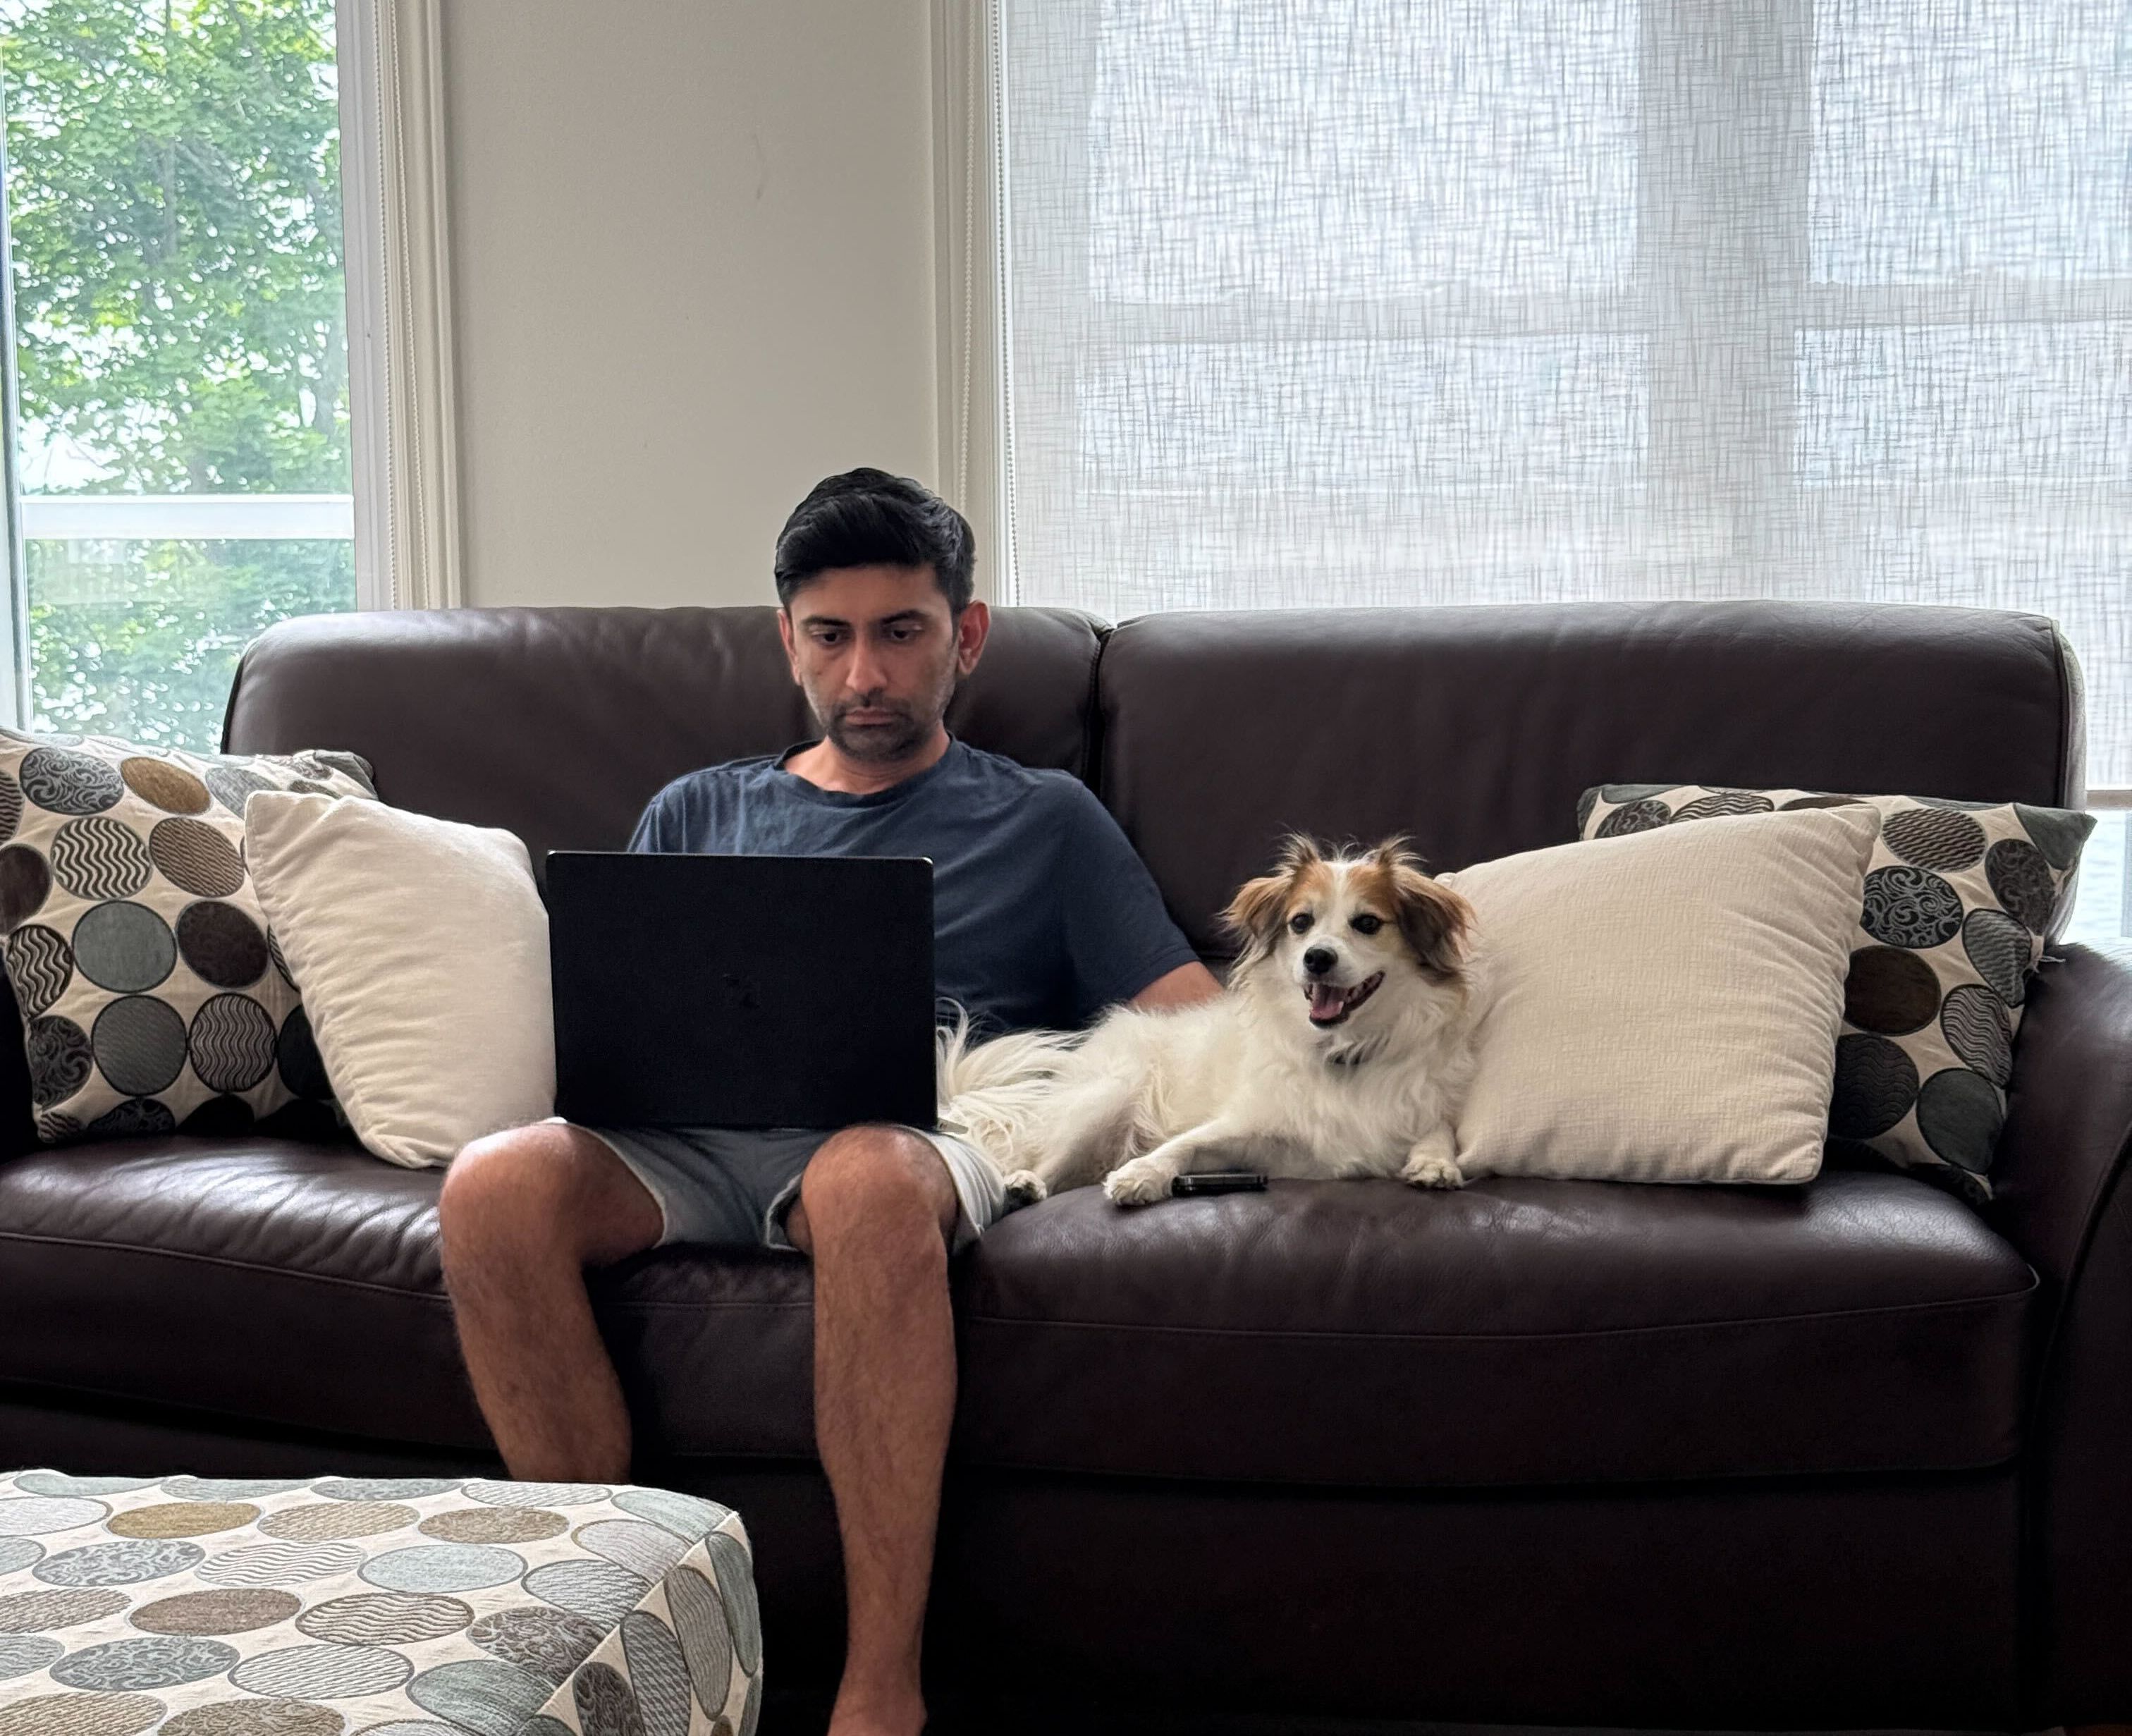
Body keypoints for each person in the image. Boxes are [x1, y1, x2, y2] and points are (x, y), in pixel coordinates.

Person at [437, 467, 1220, 1736]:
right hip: (683, 1137)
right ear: (787, 640)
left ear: (962, 637)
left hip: (915, 1132)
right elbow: (616, 1028)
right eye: (833, 635)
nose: (867, 671)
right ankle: (620, 1646)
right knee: (492, 1183)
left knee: (864, 1175)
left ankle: (877, 1693)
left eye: (902, 633)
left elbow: (1193, 1016)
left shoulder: (1046, 817)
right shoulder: (697, 806)